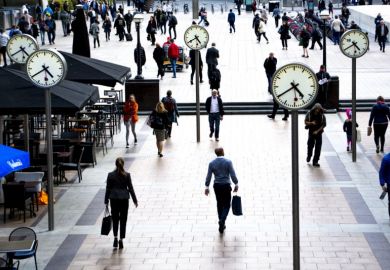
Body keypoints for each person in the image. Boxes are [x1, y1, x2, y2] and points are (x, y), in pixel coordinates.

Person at [104, 157, 138, 249]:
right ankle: (121, 240)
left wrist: (106, 200)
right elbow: (131, 188)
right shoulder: (127, 175)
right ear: (123, 164)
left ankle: (115, 238)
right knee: (123, 220)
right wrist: (135, 200)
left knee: (115, 220)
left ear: (115, 164)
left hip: (114, 199)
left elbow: (108, 189)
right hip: (124, 200)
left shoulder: (110, 175)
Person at [204, 147, 239, 233]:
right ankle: (222, 220)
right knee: (227, 204)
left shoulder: (212, 163)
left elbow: (208, 176)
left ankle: (221, 221)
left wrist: (206, 187)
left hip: (217, 186)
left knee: (219, 203)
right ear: (223, 152)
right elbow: (232, 174)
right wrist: (236, 183)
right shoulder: (228, 162)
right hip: (226, 185)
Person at [379, 153, 390, 218]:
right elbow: (382, 172)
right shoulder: (386, 159)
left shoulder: (386, 158)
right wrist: (382, 184)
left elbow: (381, 172)